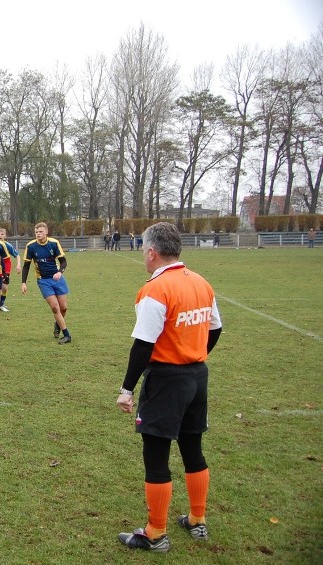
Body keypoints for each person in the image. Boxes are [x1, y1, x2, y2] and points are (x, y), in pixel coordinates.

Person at [116, 222, 222, 553]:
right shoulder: (201, 283)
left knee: (157, 455)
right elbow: (215, 329)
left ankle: (155, 533)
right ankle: (196, 519)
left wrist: (127, 389)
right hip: (197, 377)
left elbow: (143, 345)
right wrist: (193, 355)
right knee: (193, 449)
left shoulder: (156, 288)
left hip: (166, 381)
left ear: (151, 252)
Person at [21, 222, 72, 344]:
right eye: (36, 232)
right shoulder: (31, 246)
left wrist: (60, 272)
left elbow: (63, 262)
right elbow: (26, 266)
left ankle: (57, 324)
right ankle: (67, 335)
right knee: (55, 307)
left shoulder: (54, 243)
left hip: (57, 279)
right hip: (43, 280)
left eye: (40, 232)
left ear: (46, 232)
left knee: (63, 308)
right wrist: (23, 283)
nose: (38, 234)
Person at [0, 227, 22, 312]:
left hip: (5, 269)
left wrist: (18, 264)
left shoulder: (7, 245)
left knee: (5, 288)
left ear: (5, 235)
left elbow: (17, 255)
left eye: (2, 234)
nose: (0, 236)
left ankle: (1, 304)